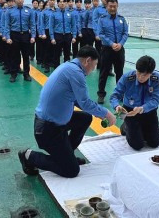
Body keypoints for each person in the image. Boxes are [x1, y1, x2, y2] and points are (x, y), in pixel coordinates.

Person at [18, 46, 116, 177]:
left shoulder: (69, 67)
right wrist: (106, 113)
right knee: (71, 171)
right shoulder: (75, 72)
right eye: (94, 65)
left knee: (85, 118)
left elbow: (76, 100)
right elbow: (85, 102)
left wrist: (96, 112)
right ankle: (30, 156)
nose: (94, 69)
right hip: (47, 130)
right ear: (87, 61)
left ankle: (66, 154)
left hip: (55, 123)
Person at [110, 55, 159, 150]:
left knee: (154, 143)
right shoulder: (127, 77)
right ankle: (125, 126)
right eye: (138, 73)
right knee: (137, 145)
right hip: (129, 111)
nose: (140, 77)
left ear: (151, 73)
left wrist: (142, 108)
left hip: (148, 110)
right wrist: (117, 106)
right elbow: (114, 95)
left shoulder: (157, 79)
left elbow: (156, 99)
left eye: (144, 75)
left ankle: (139, 128)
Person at [96, 0, 128, 103]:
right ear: (107, 6)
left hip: (119, 49)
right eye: (110, 6)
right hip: (107, 49)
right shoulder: (102, 19)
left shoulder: (122, 19)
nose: (112, 8)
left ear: (117, 6)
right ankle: (101, 94)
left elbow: (125, 33)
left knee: (120, 72)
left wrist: (120, 44)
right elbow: (100, 33)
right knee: (104, 72)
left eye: (114, 6)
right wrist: (111, 43)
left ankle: (120, 94)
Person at [4, 0, 36, 82]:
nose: (20, 0)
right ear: (15, 0)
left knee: (26, 56)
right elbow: (7, 25)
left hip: (25, 35)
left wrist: (33, 36)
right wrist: (8, 37)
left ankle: (26, 74)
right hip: (14, 35)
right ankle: (13, 74)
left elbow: (32, 25)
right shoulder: (9, 11)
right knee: (14, 56)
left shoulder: (29, 11)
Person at [49, 0, 77, 67]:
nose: (62, 3)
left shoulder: (70, 13)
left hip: (68, 35)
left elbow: (73, 25)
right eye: (60, 2)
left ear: (66, 3)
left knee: (67, 54)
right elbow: (51, 26)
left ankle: (66, 69)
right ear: (57, 4)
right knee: (56, 54)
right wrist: (52, 38)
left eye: (63, 2)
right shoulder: (54, 14)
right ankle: (56, 68)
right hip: (58, 35)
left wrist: (74, 36)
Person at [39, 0, 56, 73]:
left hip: (56, 32)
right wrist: (43, 33)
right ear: (48, 1)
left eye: (53, 0)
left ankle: (53, 62)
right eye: (50, 0)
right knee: (47, 49)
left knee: (55, 49)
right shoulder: (44, 12)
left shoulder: (57, 11)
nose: (52, 2)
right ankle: (46, 65)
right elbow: (41, 23)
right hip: (47, 31)